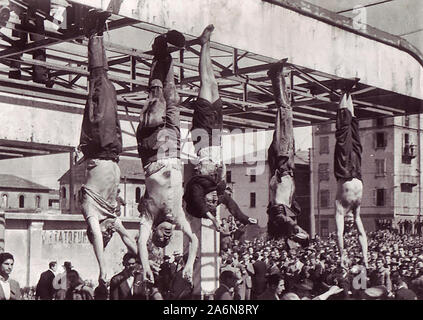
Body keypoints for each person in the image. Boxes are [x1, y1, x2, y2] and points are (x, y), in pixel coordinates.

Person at [78, 9, 137, 287]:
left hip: (97, 146)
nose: (110, 232)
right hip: (112, 151)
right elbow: (126, 237)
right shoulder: (111, 218)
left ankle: (93, 31)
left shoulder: (92, 215)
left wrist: (102, 267)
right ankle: (97, 32)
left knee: (100, 84)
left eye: (105, 233)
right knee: (107, 88)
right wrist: (146, 259)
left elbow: (98, 239)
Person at [136, 29, 198, 286]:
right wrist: (190, 263)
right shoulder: (177, 218)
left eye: (161, 238)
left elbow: (140, 241)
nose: (167, 235)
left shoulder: (148, 218)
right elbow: (193, 239)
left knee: (157, 96)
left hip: (154, 151)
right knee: (173, 98)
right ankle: (166, 52)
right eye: (168, 239)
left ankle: (158, 51)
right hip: (173, 148)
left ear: (153, 233)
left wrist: (144, 265)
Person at [183, 24, 257, 231]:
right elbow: (231, 205)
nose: (215, 200)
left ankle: (204, 44)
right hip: (216, 136)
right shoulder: (218, 188)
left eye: (211, 202)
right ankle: (206, 44)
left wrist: (213, 220)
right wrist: (244, 219)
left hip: (203, 136)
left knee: (205, 83)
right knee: (213, 85)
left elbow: (198, 204)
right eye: (215, 202)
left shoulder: (197, 186)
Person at [266, 61, 309, 242]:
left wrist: (294, 232)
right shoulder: (282, 209)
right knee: (285, 111)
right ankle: (278, 77)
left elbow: (290, 224)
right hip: (284, 161)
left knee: (285, 111)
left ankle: (276, 75)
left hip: (283, 159)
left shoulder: (279, 210)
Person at [333, 85, 368, 268]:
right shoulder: (355, 214)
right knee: (354, 130)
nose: (347, 221)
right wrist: (366, 257)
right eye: (349, 222)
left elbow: (339, 234)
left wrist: (342, 254)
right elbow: (362, 234)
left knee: (342, 133)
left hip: (344, 171)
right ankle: (349, 93)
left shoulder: (340, 210)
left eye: (346, 223)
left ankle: (342, 93)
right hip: (358, 172)